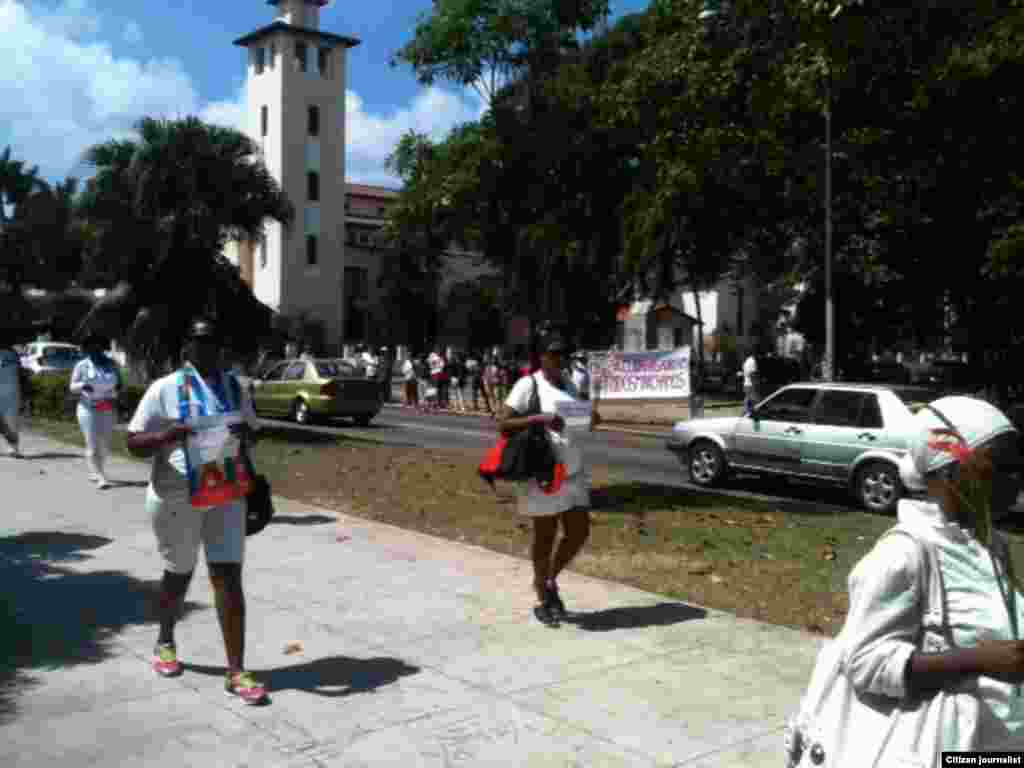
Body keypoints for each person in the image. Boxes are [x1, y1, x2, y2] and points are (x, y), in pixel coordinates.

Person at [838, 396, 1024, 754]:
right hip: (952, 748)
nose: (1016, 479)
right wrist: (975, 661)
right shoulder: (904, 554)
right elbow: (861, 663)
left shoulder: (991, 543)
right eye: (1002, 466)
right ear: (950, 472)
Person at [125, 318, 267, 705]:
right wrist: (165, 436)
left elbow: (253, 433)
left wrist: (245, 436)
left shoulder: (235, 387)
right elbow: (133, 442)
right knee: (179, 573)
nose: (207, 348)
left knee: (228, 576)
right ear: (187, 346)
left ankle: (236, 670)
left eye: (214, 341)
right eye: (199, 341)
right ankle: (165, 639)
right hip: (175, 497)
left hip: (225, 494)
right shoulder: (164, 389)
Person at [498, 333, 602, 627]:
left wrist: (589, 416)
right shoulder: (528, 384)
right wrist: (539, 419)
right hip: (544, 473)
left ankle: (548, 579)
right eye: (554, 355)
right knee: (545, 537)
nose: (559, 360)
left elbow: (580, 419)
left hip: (573, 472)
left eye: (563, 355)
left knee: (579, 531)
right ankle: (543, 595)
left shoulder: (569, 384)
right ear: (542, 357)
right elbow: (503, 424)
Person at [69, 333, 121, 489]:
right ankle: (100, 476)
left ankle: (97, 469)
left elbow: (120, 384)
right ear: (87, 349)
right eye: (91, 347)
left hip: (107, 407)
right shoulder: (81, 365)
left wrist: (115, 392)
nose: (95, 350)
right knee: (92, 443)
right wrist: (82, 386)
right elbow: (72, 387)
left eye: (98, 346)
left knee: (104, 443)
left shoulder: (112, 364)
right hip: (87, 408)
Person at [0, 332, 23, 458]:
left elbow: (20, 374)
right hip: (11, 391)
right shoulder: (14, 355)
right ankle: (13, 447)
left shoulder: (14, 355)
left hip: (12, 392)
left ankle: (13, 448)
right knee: (10, 421)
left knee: (11, 421)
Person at [742, 349, 759, 415]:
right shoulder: (752, 361)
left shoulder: (746, 361)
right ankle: (751, 414)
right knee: (754, 400)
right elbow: (752, 374)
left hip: (746, 384)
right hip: (750, 384)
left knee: (748, 400)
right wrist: (755, 384)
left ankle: (746, 413)